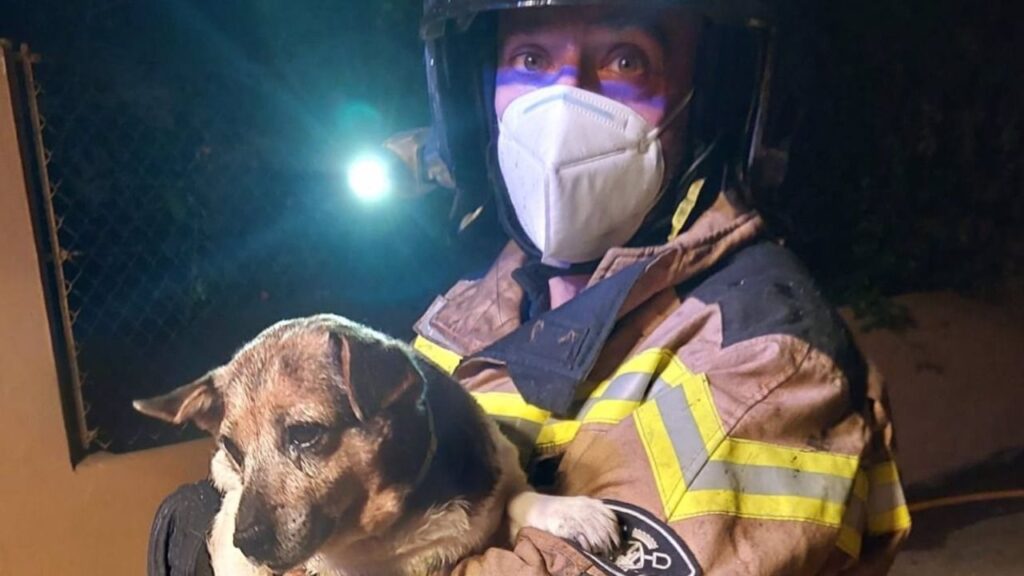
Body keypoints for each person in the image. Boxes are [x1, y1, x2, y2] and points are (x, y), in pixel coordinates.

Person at [150, 1, 910, 574]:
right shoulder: (481, 306)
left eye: (625, 60)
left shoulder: (764, 348)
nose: (563, 107)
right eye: (532, 60)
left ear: (707, 97)